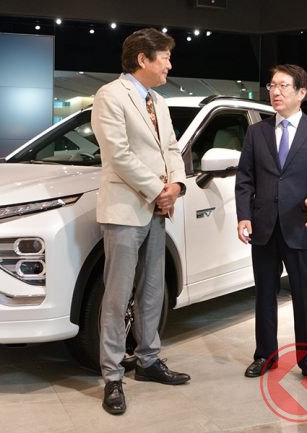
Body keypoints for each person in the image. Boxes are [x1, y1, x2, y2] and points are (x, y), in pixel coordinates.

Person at [91, 27, 190, 415]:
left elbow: (172, 149)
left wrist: (176, 185)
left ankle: (148, 361)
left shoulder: (158, 101)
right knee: (117, 298)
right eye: (164, 57)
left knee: (152, 291)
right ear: (142, 59)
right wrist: (157, 190)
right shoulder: (110, 96)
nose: (169, 64)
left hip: (157, 210)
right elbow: (117, 154)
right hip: (125, 210)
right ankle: (113, 376)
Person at [235, 64, 307, 389]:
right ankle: (265, 355)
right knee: (264, 295)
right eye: (272, 86)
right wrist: (244, 215)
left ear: (301, 92)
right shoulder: (257, 132)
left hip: (301, 226)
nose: (275, 92)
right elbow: (245, 178)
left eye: (283, 86)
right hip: (264, 227)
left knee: (306, 298)